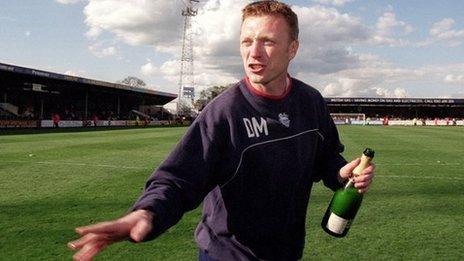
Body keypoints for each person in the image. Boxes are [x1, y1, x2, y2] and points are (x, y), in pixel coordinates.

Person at [68, 1, 375, 260]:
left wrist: (341, 173)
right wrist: (146, 213)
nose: (254, 53)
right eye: (246, 41)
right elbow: (177, 179)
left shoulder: (311, 102)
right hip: (227, 255)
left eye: (267, 41)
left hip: (287, 252)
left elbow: (326, 159)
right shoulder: (224, 111)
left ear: (292, 48)